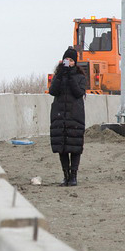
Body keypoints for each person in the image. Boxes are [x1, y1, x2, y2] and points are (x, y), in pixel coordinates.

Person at [49, 47, 88, 186]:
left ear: (75, 62)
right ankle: (65, 175)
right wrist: (61, 75)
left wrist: (70, 76)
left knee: (75, 147)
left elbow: (78, 93)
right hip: (59, 114)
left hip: (75, 115)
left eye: (71, 60)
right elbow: (52, 91)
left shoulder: (80, 77)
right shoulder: (58, 76)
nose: (68, 62)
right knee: (62, 146)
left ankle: (73, 176)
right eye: (67, 59)